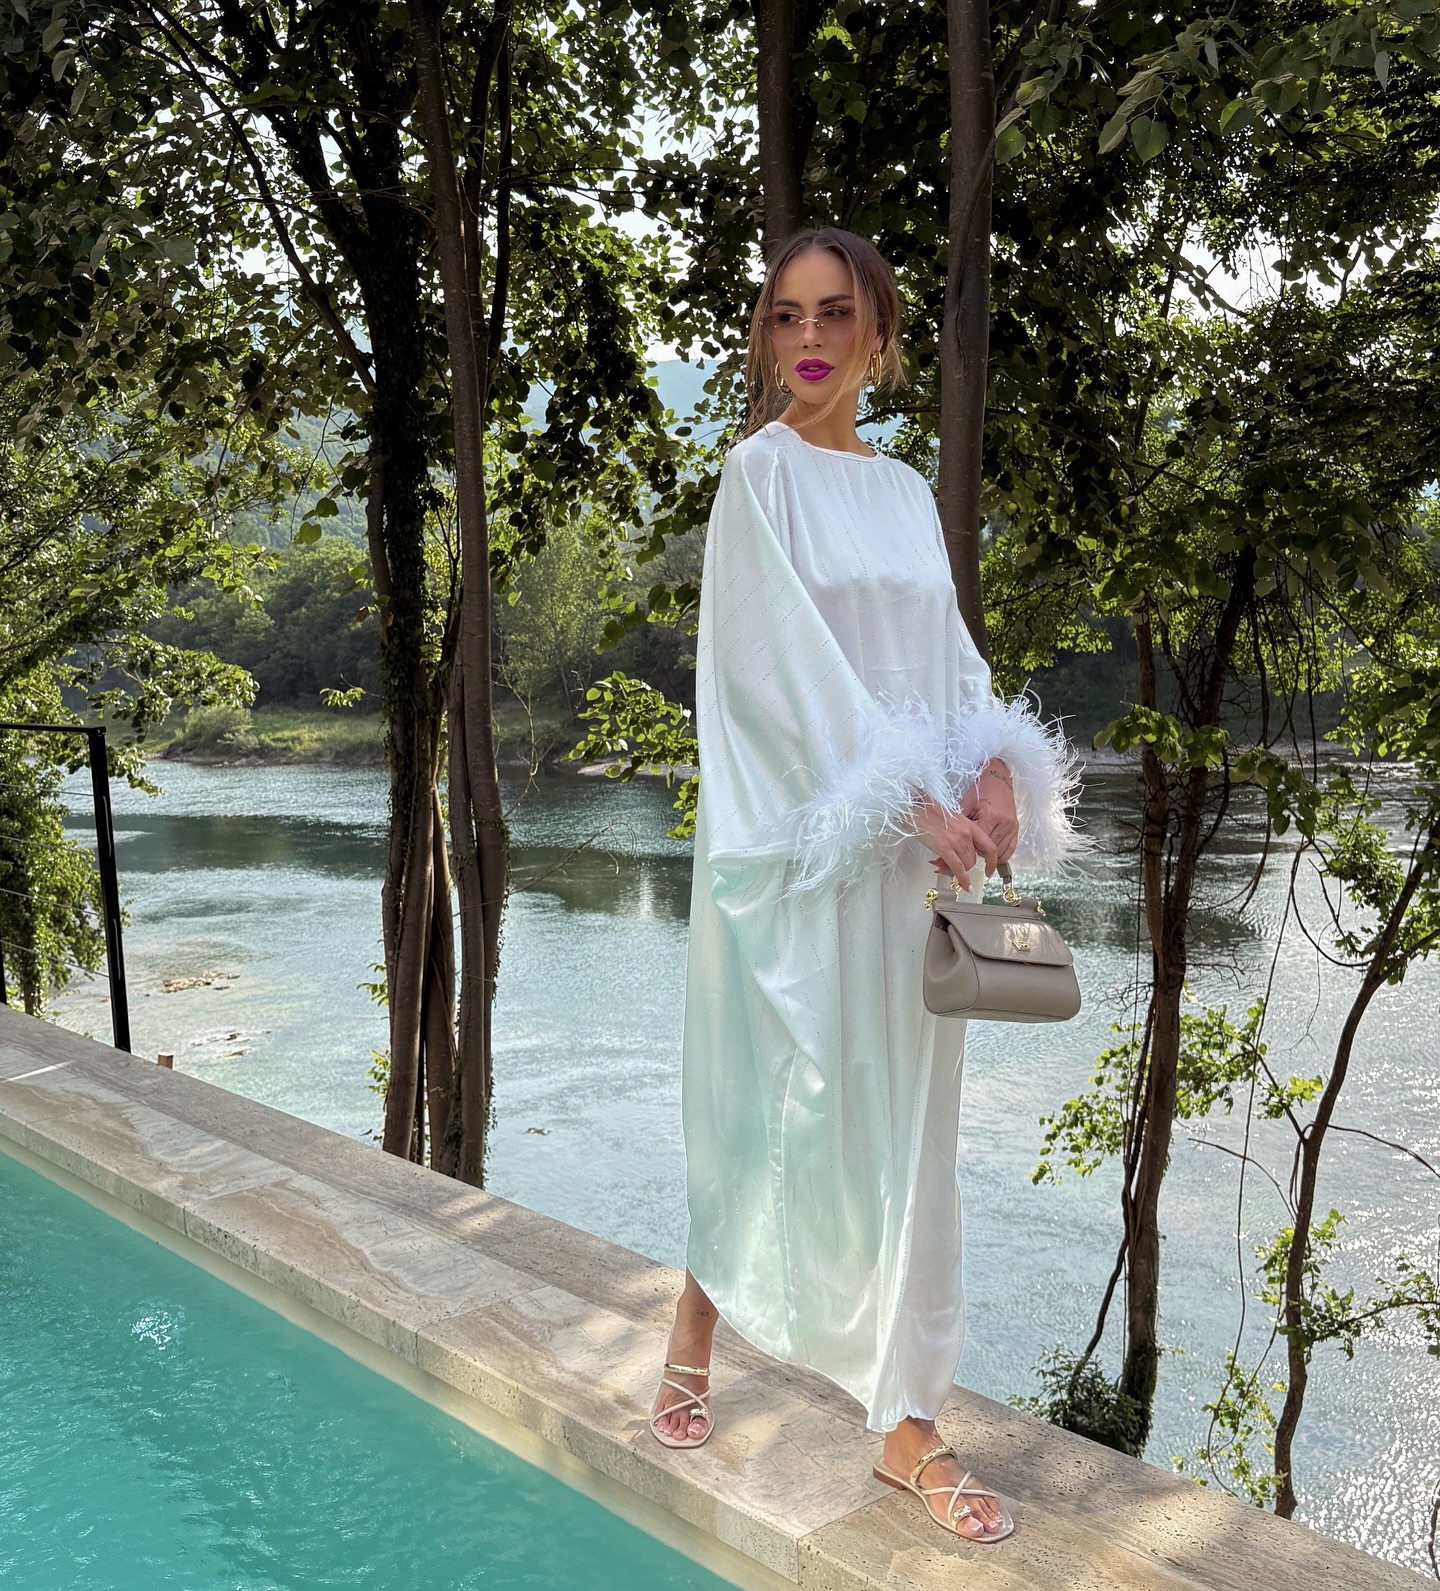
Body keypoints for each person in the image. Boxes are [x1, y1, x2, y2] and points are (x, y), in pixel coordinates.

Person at [650, 227, 1078, 1544]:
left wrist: (996, 770)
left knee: (910, 1135)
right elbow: (773, 681)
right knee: (786, 1101)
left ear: (880, 334)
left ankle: (907, 1426)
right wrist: (909, 801)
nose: (809, 339)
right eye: (786, 316)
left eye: (835, 313)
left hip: (915, 866)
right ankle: (696, 1317)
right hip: (811, 849)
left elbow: (945, 658)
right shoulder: (756, 479)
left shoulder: (898, 492)